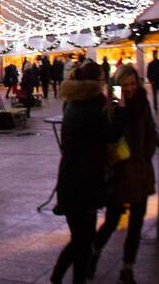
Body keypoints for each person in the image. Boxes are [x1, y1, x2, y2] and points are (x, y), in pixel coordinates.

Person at [50, 61, 122, 284]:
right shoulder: (94, 106)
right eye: (102, 79)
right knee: (84, 239)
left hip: (71, 178)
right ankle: (67, 277)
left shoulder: (72, 103)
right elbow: (112, 134)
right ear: (96, 82)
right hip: (85, 181)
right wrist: (117, 101)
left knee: (80, 238)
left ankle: (59, 276)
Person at [92, 65, 157, 284]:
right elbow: (110, 135)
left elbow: (151, 131)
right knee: (112, 220)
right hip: (119, 172)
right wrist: (119, 105)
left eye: (133, 84)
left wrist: (146, 154)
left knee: (136, 223)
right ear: (118, 84)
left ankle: (127, 268)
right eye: (125, 85)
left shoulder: (142, 101)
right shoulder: (113, 102)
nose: (130, 89)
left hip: (140, 171)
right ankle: (94, 251)